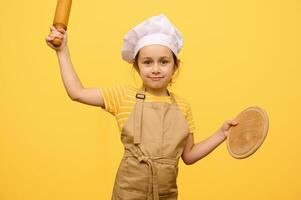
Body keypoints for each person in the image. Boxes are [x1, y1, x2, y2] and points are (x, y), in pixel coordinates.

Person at [46, 14, 238, 200]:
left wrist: (221, 134)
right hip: (128, 193)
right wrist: (62, 51)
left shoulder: (183, 106)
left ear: (175, 66)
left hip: (166, 195)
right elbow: (77, 92)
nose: (155, 69)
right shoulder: (123, 96)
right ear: (137, 66)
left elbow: (188, 156)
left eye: (164, 61)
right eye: (147, 62)